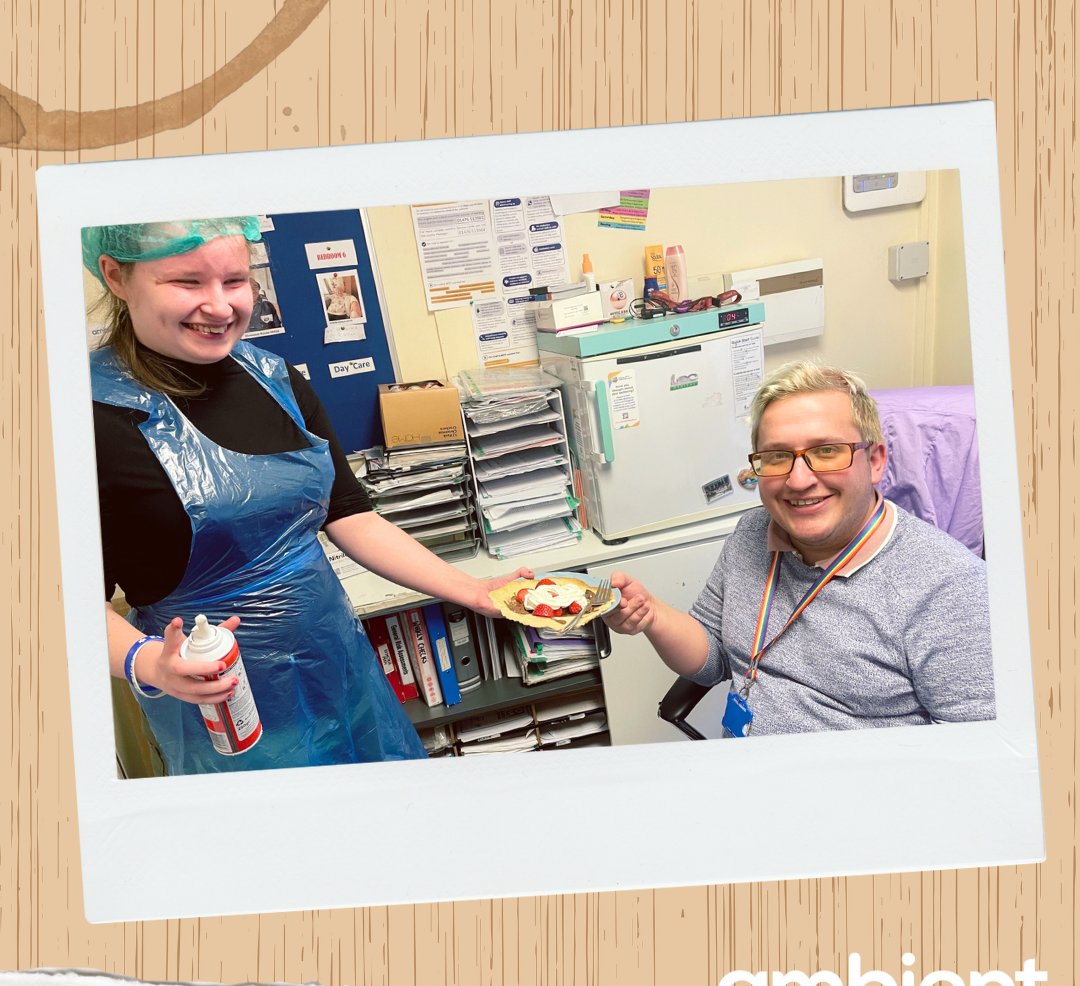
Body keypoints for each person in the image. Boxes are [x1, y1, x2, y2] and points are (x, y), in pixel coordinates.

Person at [86, 217, 530, 774]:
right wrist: (148, 662)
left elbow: (350, 516)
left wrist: (474, 589)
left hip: (335, 664)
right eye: (187, 282)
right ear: (116, 276)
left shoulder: (275, 379)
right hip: (223, 701)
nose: (221, 307)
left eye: (235, 280)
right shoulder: (87, 419)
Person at [603, 360, 995, 736]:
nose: (799, 480)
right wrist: (652, 616)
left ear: (875, 461)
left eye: (826, 451)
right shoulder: (753, 533)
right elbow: (713, 660)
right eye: (777, 457)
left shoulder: (951, 588)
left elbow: (978, 758)